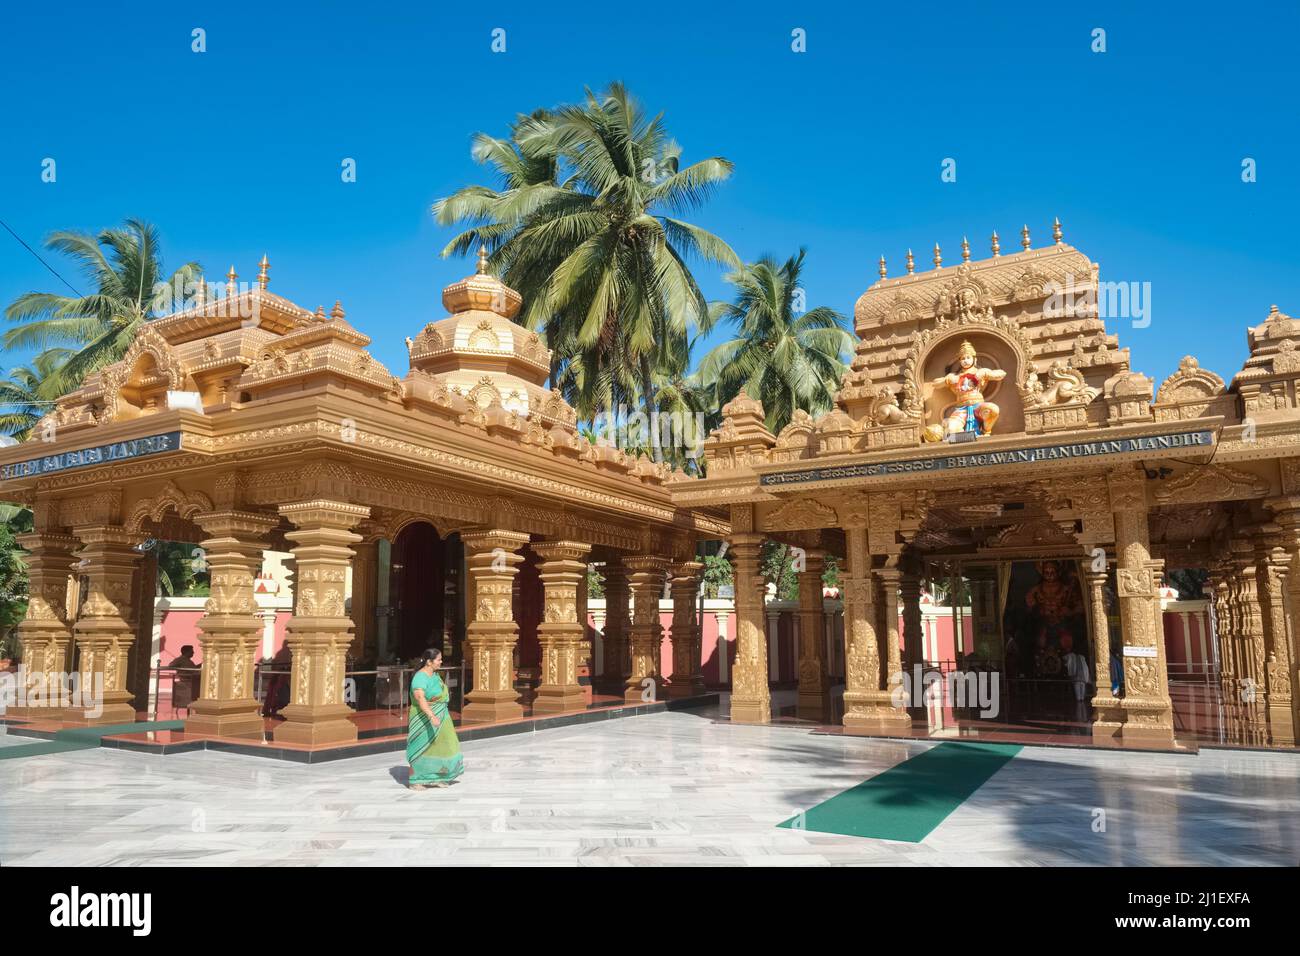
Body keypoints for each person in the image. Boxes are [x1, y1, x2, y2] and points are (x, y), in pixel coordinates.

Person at [406, 647, 463, 790]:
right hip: (424, 717)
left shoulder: (435, 675)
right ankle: (417, 780)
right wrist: (431, 715)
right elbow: (420, 697)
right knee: (423, 747)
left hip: (442, 715)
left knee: (445, 744)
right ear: (429, 662)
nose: (441, 662)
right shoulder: (420, 677)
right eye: (438, 659)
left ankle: (438, 776)